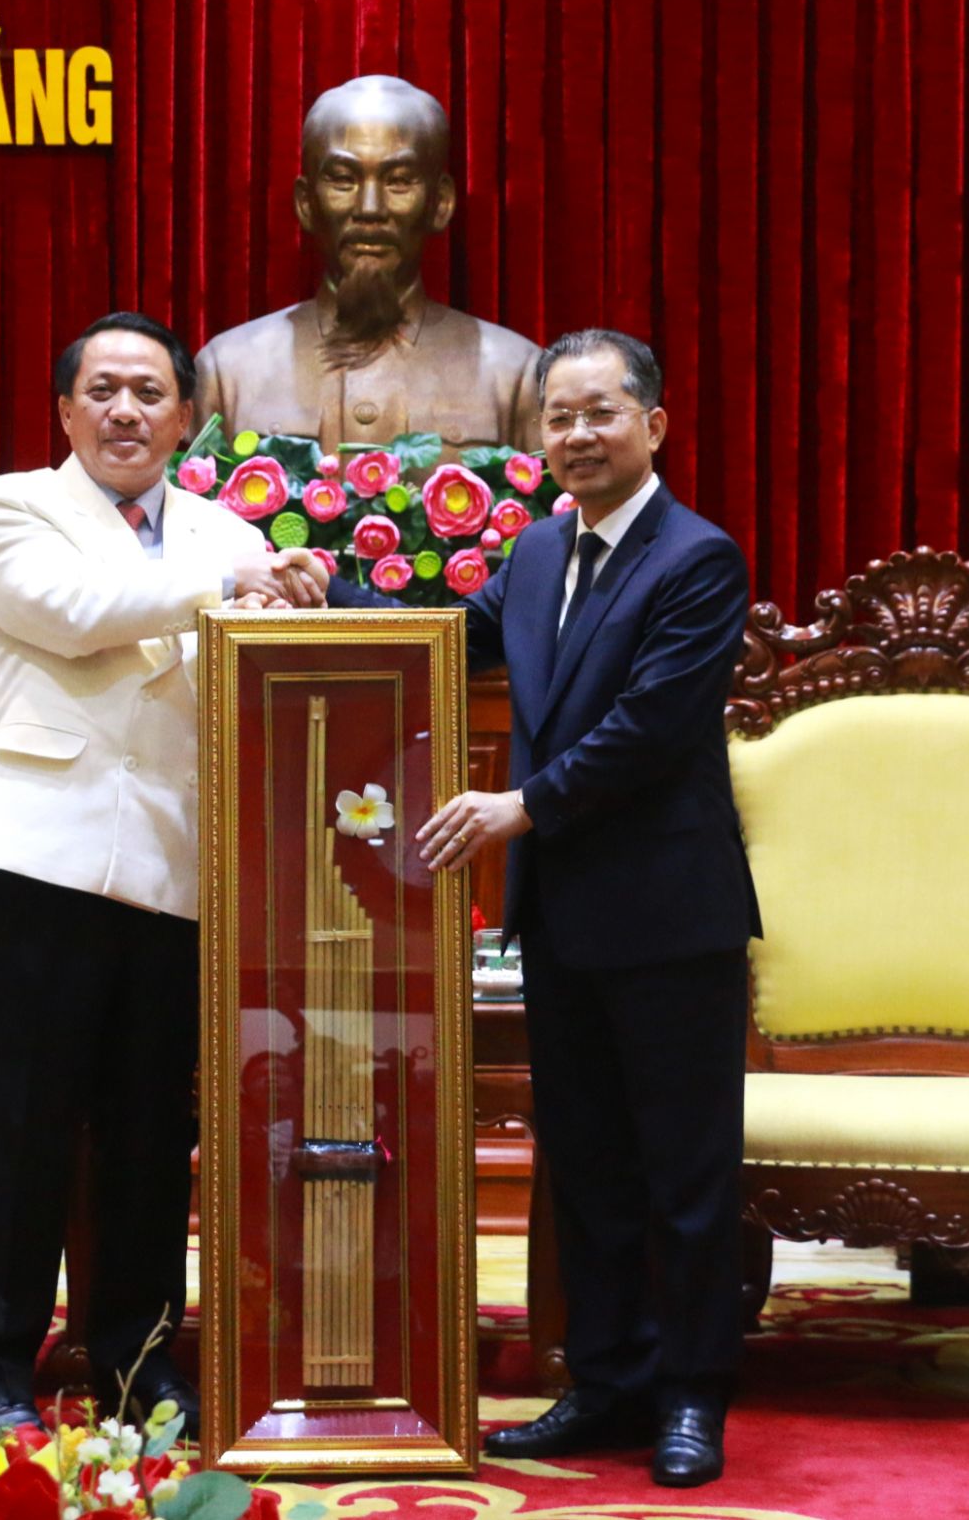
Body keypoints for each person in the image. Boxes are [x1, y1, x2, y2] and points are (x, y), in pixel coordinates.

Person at [338, 329, 759, 1486]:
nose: (575, 436)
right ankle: (607, 1384)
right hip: (563, 916)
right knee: (587, 1169)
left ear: (653, 426)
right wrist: (312, 594)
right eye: (558, 419)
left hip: (671, 917)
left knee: (683, 1173)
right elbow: (432, 634)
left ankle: (690, 1397)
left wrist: (517, 805)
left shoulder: (696, 559)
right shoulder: (531, 554)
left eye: (598, 414)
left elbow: (646, 732)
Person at [0, 311, 319, 1438]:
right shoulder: (11, 506)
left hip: (176, 869)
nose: (124, 412)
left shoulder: (216, 529)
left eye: (149, 394)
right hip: (41, 857)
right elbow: (75, 616)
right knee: (18, 1128)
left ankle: (137, 1360)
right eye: (101, 390)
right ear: (64, 411)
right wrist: (240, 576)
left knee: (154, 1137)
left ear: (186, 419)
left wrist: (293, 603)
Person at [194, 75, 539, 460]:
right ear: (306, 203)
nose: (370, 209)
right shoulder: (227, 372)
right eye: (343, 180)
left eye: (399, 181)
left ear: (441, 202)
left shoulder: (515, 375)